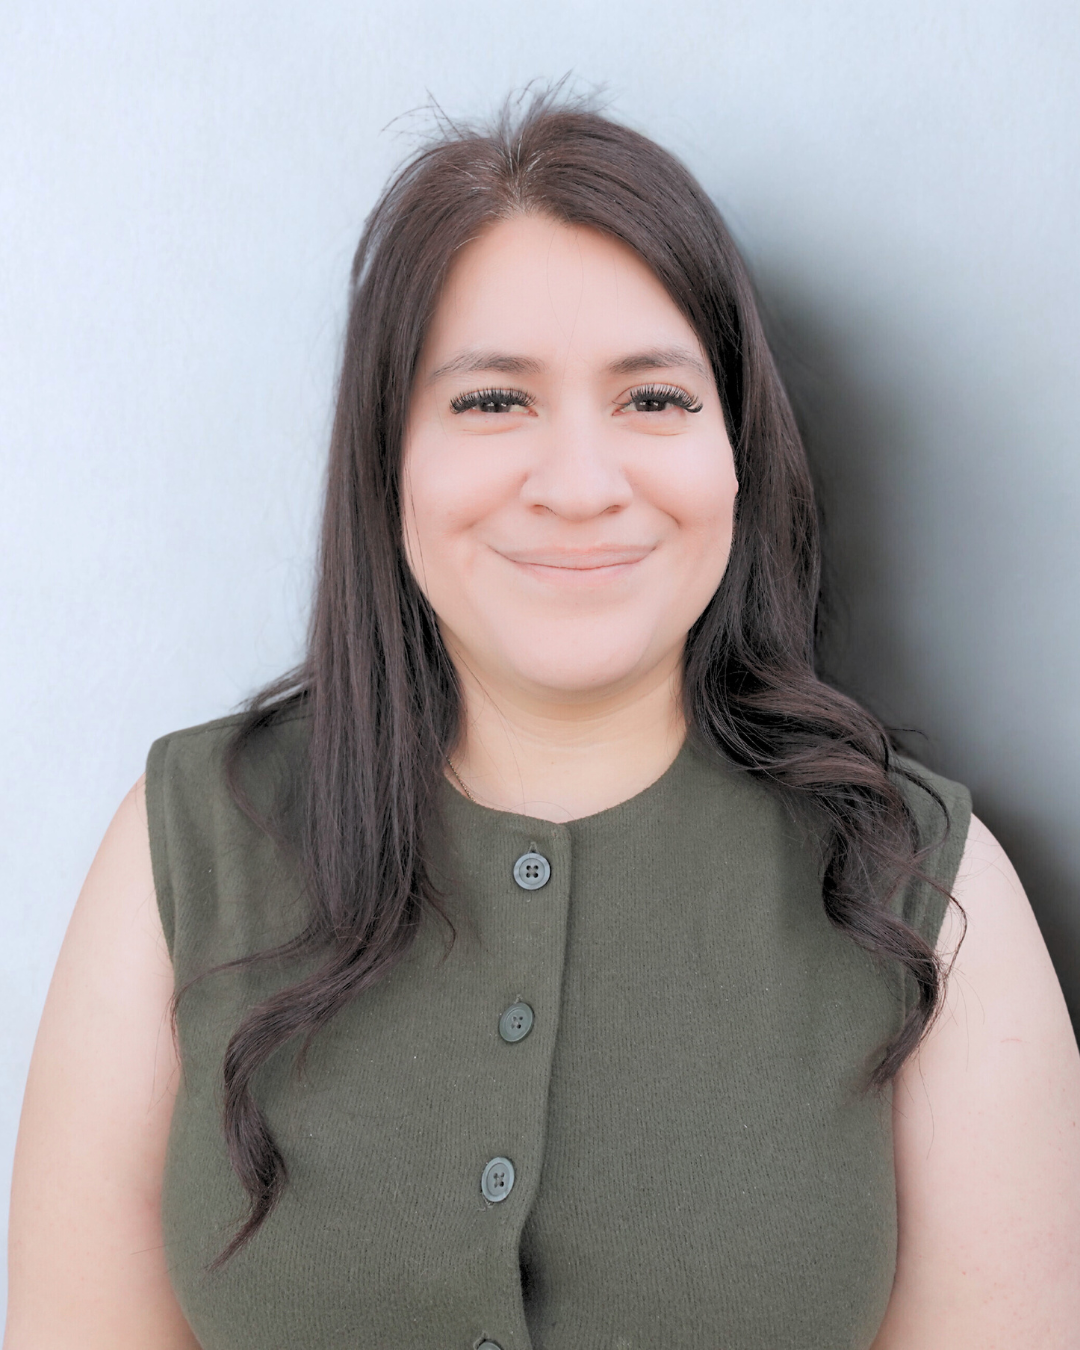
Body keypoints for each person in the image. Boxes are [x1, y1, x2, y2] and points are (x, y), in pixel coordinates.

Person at [6, 88, 1079, 1350]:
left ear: (738, 452)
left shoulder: (930, 891)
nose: (579, 486)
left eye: (655, 400)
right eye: (492, 401)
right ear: (388, 457)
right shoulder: (182, 848)